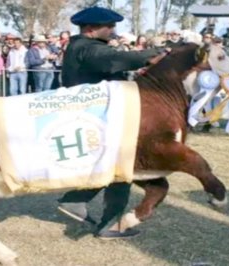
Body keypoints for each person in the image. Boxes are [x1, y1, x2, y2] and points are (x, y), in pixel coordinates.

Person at [59, 6, 160, 239]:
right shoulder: (87, 48)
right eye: (110, 26)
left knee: (118, 168)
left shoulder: (83, 47)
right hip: (97, 118)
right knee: (120, 168)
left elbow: (111, 67)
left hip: (98, 115)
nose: (114, 30)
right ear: (92, 28)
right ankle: (98, 217)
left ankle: (81, 204)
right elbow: (114, 59)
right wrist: (154, 54)